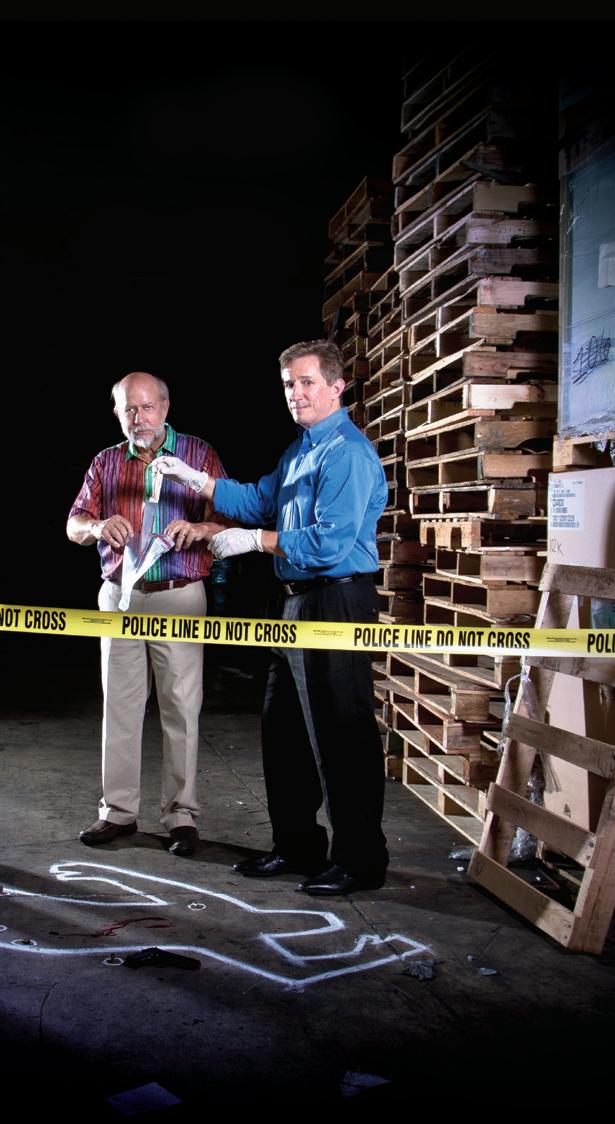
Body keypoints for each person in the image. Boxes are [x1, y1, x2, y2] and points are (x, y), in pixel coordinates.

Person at [153, 339, 389, 895]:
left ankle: (360, 860)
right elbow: (261, 500)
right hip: (294, 600)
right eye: (288, 384)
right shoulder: (301, 449)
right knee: (284, 729)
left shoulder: (347, 454)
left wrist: (255, 541)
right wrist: (199, 481)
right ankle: (298, 846)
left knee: (342, 732)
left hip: (337, 600)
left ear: (336, 386)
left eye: (307, 382)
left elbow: (329, 544)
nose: (296, 394)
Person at [66, 372, 229, 857]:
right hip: (119, 596)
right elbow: (74, 523)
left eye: (147, 407)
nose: (139, 418)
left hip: (179, 594)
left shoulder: (199, 454)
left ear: (166, 407)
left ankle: (181, 816)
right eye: (129, 410)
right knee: (119, 705)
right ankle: (117, 812)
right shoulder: (105, 462)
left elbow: (229, 520)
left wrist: (200, 530)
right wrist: (98, 527)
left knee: (181, 706)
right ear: (118, 413)